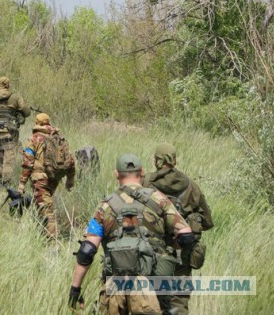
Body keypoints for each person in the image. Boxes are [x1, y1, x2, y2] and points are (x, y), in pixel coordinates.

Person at [68, 153, 196, 315]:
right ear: (142, 172)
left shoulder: (105, 206)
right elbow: (186, 236)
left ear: (116, 174)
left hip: (116, 284)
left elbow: (87, 251)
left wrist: (75, 289)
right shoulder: (159, 200)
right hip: (153, 284)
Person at [143, 143, 214, 315]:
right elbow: (207, 221)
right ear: (174, 160)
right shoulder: (191, 186)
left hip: (154, 254)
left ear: (156, 161)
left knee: (151, 301)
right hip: (182, 253)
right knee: (179, 302)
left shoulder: (145, 183)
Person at [17, 113, 74, 240]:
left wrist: (22, 183)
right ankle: (41, 234)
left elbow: (28, 162)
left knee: (47, 211)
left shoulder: (34, 139)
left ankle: (53, 243)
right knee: (42, 205)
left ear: (37, 123)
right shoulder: (58, 139)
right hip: (55, 178)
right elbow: (70, 160)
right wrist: (70, 180)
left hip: (40, 178)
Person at [0, 76, 31, 186]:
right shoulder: (15, 97)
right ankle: (6, 184)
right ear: (8, 85)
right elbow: (26, 112)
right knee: (9, 157)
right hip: (11, 131)